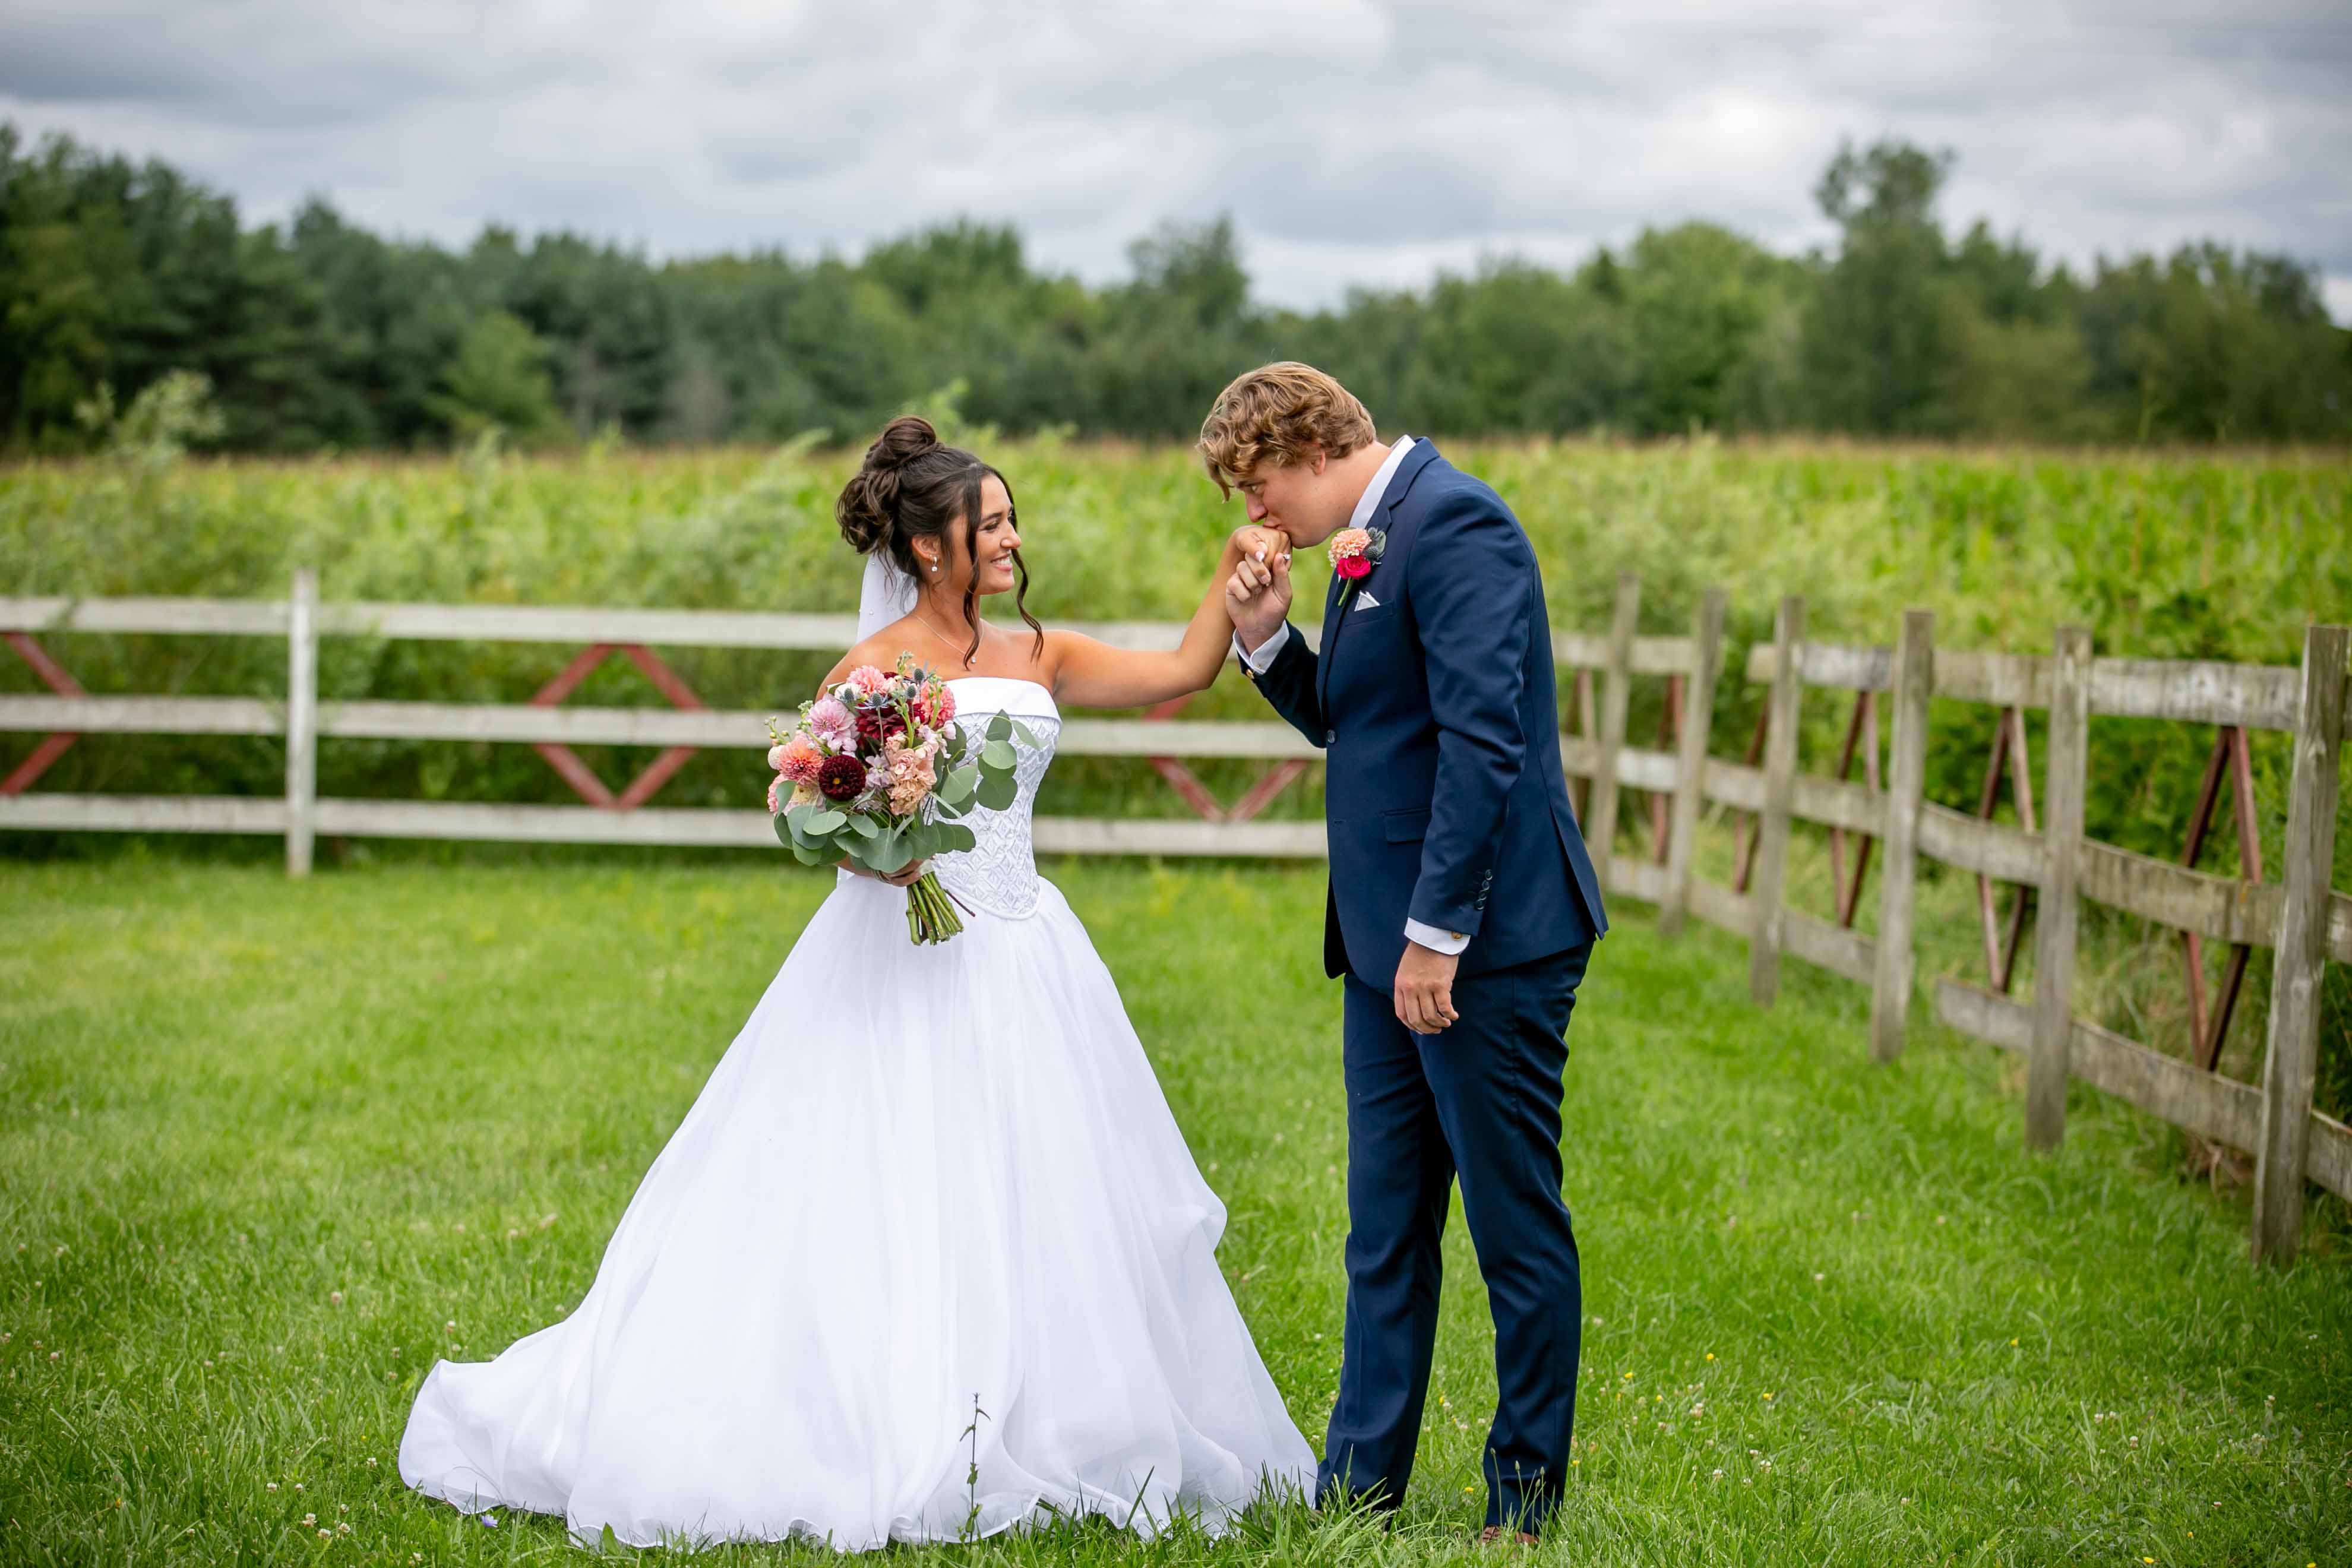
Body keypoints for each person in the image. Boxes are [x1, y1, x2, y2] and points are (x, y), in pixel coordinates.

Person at [399, 415, 1315, 1550]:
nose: (1013, 540)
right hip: (905, 952)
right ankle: (882, 1403)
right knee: (889, 1174)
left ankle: (1047, 1408)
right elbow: (801, 796)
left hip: (1027, 947)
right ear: (929, 548)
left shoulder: (1042, 654)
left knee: (1043, 1184)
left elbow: (1181, 672)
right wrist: (873, 842)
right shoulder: (871, 674)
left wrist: (1234, 582)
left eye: (1011, 520)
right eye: (993, 524)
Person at [1212, 362, 1605, 1544]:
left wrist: (1439, 938)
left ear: (1313, 442)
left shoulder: (1458, 523)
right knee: (1383, 1230)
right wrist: (1268, 640)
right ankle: (1358, 1493)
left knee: (1511, 1229)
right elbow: (1363, 721)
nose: (1255, 510)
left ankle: (1522, 1508)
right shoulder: (1372, 539)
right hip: (1383, 953)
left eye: (1258, 480)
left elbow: (1487, 747)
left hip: (1481, 946)